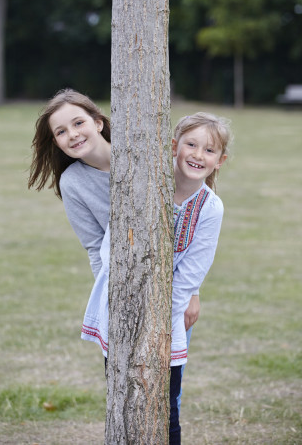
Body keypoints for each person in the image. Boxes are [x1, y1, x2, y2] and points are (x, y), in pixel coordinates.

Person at [81, 111, 232, 444]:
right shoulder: (146, 183)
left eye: (209, 150)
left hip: (168, 317)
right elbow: (112, 245)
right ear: (174, 146)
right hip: (122, 305)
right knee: (122, 397)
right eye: (191, 145)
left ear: (220, 161)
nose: (197, 155)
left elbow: (192, 271)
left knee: (166, 408)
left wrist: (162, 323)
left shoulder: (210, 208)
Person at [28, 88, 111, 280]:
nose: (73, 134)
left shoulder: (139, 156)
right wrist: (108, 299)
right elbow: (96, 247)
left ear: (98, 123)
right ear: (57, 142)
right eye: (61, 132)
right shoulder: (71, 183)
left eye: (79, 123)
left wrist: (190, 292)